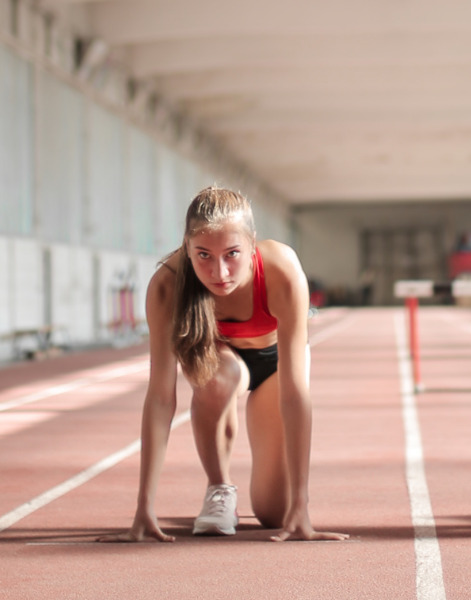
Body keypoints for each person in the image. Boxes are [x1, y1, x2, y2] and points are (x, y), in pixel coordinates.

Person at [100, 186, 345, 543]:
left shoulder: (281, 271)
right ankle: (219, 489)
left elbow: (295, 395)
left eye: (232, 254)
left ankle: (287, 501)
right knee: (219, 377)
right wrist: (143, 508)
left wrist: (302, 506)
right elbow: (160, 399)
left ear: (252, 245)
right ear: (186, 247)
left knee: (275, 514)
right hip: (220, 361)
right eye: (203, 256)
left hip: (276, 366)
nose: (219, 272)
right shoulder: (167, 286)